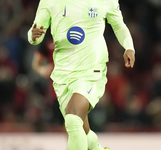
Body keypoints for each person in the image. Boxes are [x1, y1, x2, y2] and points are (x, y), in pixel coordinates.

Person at [28, 0, 135, 149]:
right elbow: (36, 34)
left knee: (72, 119)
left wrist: (129, 47)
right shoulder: (48, 2)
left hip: (91, 70)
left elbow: (119, 25)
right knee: (83, 133)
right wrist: (33, 36)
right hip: (62, 75)